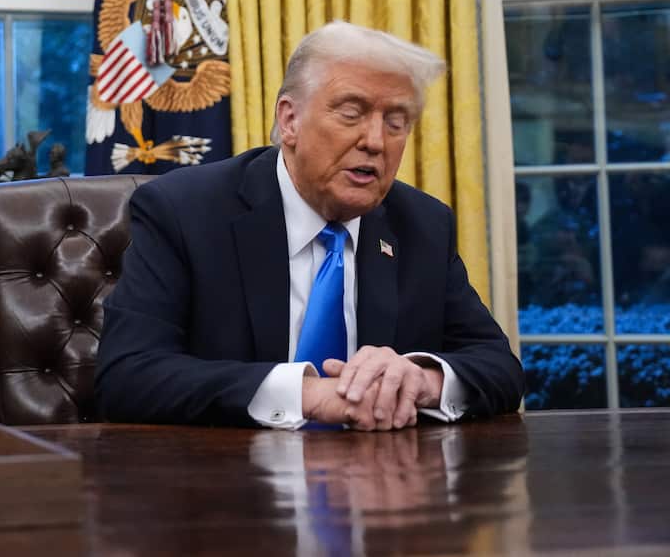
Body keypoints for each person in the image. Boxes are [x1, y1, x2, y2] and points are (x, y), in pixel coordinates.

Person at [96, 21, 524, 431]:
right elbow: (128, 374)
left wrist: (421, 380)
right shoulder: (184, 212)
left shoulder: (423, 226)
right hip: (228, 490)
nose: (375, 141)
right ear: (290, 121)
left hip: (383, 489)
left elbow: (500, 367)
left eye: (396, 123)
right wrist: (310, 395)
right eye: (352, 113)